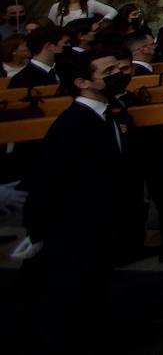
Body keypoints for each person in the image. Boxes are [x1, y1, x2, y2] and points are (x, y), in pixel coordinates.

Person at [20, 45, 131, 354]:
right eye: (108, 72)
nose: (119, 74)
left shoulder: (106, 112)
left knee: (95, 293)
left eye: (118, 69)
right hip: (77, 230)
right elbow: (50, 182)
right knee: (75, 301)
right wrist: (38, 231)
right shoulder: (72, 125)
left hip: (101, 226)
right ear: (83, 82)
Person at [9, 24, 67, 88]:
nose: (68, 46)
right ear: (49, 46)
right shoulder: (21, 81)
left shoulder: (63, 70)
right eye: (65, 43)